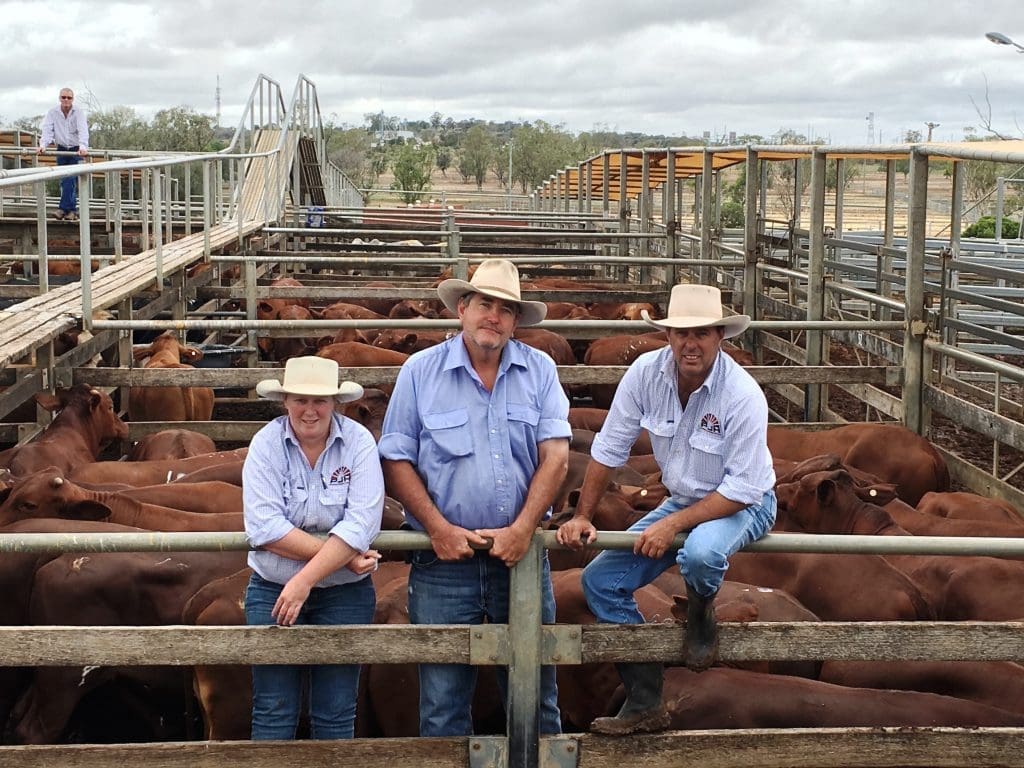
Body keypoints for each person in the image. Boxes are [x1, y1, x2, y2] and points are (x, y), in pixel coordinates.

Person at [556, 283, 776, 736]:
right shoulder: (645, 373)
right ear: (668, 336)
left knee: (700, 554)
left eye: (701, 334)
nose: (689, 344)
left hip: (742, 502)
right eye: (680, 333)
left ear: (720, 336)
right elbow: (609, 447)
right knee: (599, 580)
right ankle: (645, 696)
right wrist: (583, 514)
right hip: (683, 496)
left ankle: (700, 613)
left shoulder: (742, 395)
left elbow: (743, 487)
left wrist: (673, 522)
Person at [379, 258, 571, 737]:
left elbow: (556, 458)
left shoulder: (540, 370)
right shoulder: (420, 372)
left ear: (516, 321)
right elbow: (396, 458)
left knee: (535, 700)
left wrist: (523, 529)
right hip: (444, 561)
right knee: (442, 704)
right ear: (462, 308)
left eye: (507, 310)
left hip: (521, 559)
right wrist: (438, 529)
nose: (495, 317)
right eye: (485, 304)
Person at [243, 355, 384, 740]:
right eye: (300, 400)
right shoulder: (266, 443)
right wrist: (343, 555)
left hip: (339, 594)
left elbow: (363, 523)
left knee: (336, 712)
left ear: (335, 403)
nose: (310, 410)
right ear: (284, 401)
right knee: (273, 709)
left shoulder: (358, 442)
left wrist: (304, 579)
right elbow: (265, 527)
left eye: (320, 400)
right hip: (275, 588)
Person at [37, 88, 90, 221]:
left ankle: (62, 209)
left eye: (69, 98)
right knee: (64, 179)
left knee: (70, 178)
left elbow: (83, 130)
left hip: (75, 149)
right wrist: (43, 145)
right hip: (61, 149)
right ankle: (72, 211)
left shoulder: (78, 112)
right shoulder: (53, 112)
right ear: (59, 98)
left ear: (73, 99)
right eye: (63, 97)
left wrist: (83, 147)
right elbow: (48, 129)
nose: (66, 100)